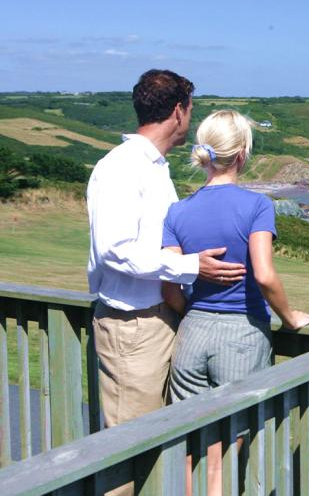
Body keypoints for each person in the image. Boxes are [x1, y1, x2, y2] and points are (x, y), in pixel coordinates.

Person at [161, 109, 309, 495]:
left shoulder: (177, 211)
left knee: (188, 447)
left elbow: (170, 288)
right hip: (241, 335)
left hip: (192, 334)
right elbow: (263, 275)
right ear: (242, 154)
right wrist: (290, 316)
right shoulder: (256, 206)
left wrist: (196, 314)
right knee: (224, 454)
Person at [87, 69, 246, 429]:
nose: (190, 119)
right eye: (190, 110)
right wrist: (192, 267)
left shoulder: (153, 168)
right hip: (134, 324)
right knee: (131, 444)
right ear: (178, 111)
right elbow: (115, 249)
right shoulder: (122, 167)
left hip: (159, 316)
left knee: (158, 443)